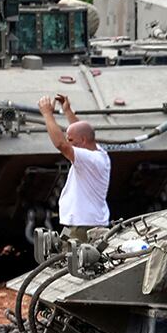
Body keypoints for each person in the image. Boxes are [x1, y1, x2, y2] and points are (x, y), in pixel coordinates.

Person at [36, 94, 109, 243]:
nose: (68, 142)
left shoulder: (89, 159)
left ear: (82, 141)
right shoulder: (97, 152)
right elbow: (82, 131)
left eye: (71, 140)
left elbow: (61, 145)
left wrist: (47, 114)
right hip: (80, 223)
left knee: (76, 263)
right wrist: (68, 111)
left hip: (83, 227)